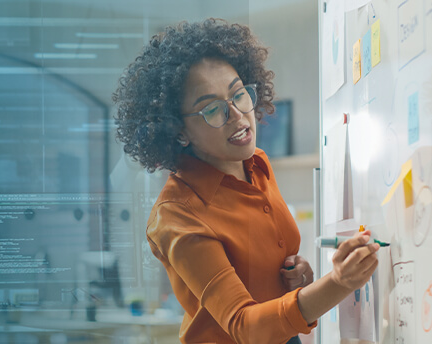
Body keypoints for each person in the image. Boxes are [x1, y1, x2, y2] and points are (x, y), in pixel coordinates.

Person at [112, 19, 379, 344]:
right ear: (177, 131)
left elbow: (269, 269)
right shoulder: (178, 215)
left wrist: (297, 276)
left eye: (239, 94)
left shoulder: (257, 164)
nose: (238, 115)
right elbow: (244, 326)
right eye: (212, 109)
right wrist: (339, 282)